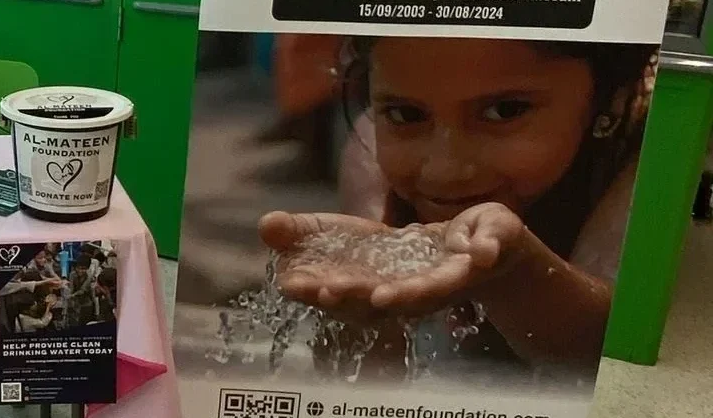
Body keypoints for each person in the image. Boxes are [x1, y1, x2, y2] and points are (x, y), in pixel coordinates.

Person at [258, 37, 656, 369]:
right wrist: (364, 312)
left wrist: (516, 273)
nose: (444, 169)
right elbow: (371, 384)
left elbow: (611, 354)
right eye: (406, 113)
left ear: (613, 100)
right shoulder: (370, 150)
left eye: (504, 111)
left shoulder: (649, 159)